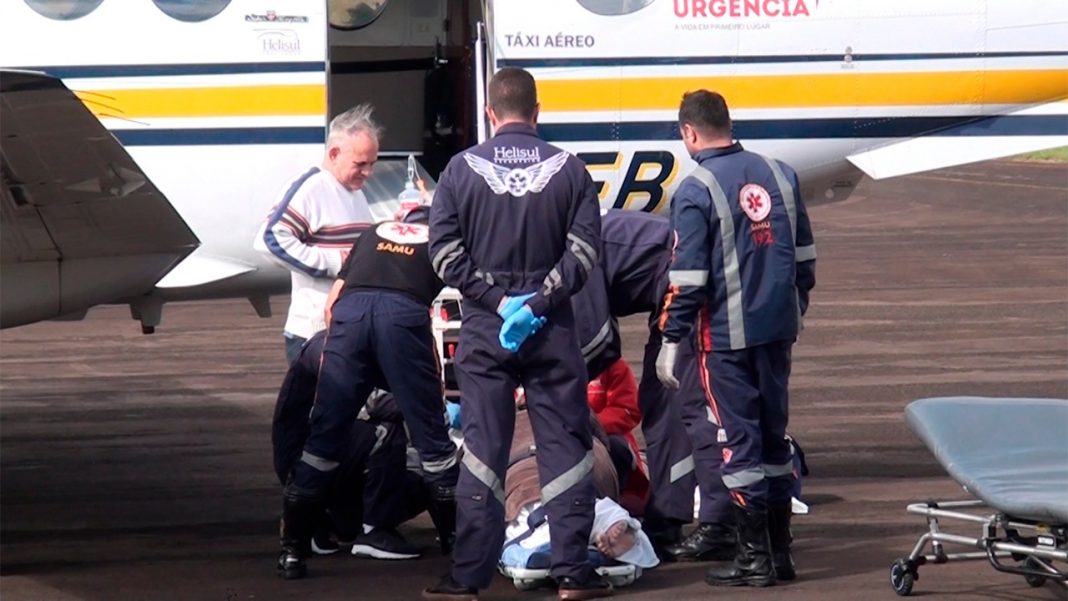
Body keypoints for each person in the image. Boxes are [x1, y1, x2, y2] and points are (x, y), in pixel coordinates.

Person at [424, 67, 609, 601]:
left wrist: (496, 300)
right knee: (565, 446)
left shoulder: (460, 171)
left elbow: (443, 254)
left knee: (483, 448)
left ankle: (468, 577)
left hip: (486, 330)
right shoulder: (570, 171)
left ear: (489, 113)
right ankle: (573, 575)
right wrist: (540, 301)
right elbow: (584, 254)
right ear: (538, 110)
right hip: (550, 331)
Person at [655, 90, 816, 587]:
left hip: (724, 339)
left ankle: (754, 561)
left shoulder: (695, 189)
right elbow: (805, 257)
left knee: (738, 443)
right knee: (773, 438)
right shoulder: (782, 174)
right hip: (777, 330)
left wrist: (669, 338)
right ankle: (780, 553)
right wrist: (793, 308)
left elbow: (688, 279)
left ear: (689, 132)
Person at [277, 206, 460, 580]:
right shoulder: (443, 240)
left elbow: (334, 302)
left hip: (349, 318)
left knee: (323, 442)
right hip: (403, 317)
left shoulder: (374, 232)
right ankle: (458, 552)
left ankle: (293, 553)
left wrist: (355, 356)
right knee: (434, 443)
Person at [571, 209, 734, 561]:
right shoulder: (565, 239)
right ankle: (669, 517)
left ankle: (721, 524)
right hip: (679, 288)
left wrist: (556, 389)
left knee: (689, 406)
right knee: (664, 408)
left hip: (691, 292)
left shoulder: (568, 251)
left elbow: (596, 340)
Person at [272, 331, 428, 563]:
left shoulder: (343, 341)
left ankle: (324, 520)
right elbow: (375, 402)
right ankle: (375, 529)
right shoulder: (330, 349)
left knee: (418, 480)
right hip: (305, 458)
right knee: (387, 433)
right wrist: (433, 399)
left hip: (317, 459)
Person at [255, 104, 380, 364]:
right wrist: (336, 263)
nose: (368, 172)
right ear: (334, 154)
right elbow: (270, 240)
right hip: (314, 333)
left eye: (372, 163)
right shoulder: (311, 188)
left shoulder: (355, 192)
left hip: (351, 328)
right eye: (360, 164)